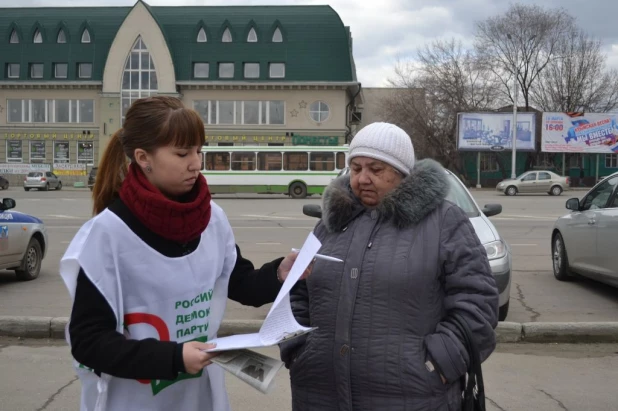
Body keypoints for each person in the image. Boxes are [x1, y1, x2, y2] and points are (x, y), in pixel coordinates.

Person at [59, 96, 306, 411]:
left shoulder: (212, 217)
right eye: (182, 153)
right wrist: (174, 358)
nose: (196, 163)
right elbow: (89, 341)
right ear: (143, 157)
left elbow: (239, 282)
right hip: (132, 401)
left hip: (200, 398)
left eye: (199, 151)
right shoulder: (106, 234)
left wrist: (278, 274)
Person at [280, 122, 499, 410]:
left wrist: (438, 365)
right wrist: (297, 349)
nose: (363, 179)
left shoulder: (444, 222)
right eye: (356, 168)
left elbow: (478, 304)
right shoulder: (331, 224)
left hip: (413, 397)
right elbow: (299, 290)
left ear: (402, 173)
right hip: (319, 395)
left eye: (376, 169)